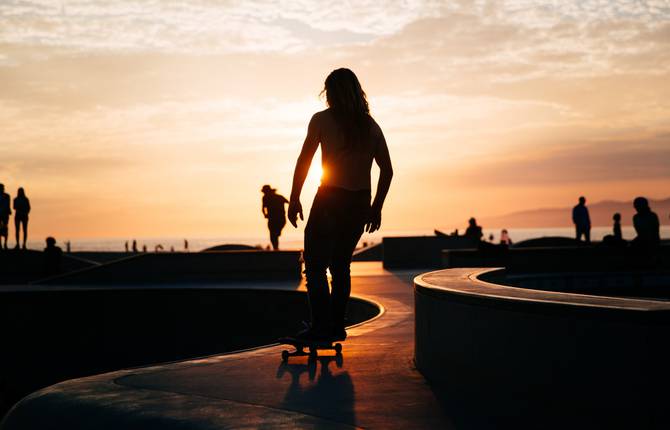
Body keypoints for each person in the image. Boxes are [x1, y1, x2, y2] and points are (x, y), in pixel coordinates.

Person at [287, 68, 393, 343]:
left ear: (330, 92)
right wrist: (376, 206)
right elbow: (388, 170)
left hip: (330, 200)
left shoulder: (322, 120)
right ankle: (335, 326)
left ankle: (321, 327)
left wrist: (295, 196)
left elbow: (305, 160)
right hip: (359, 202)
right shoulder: (371, 126)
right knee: (341, 265)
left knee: (314, 265)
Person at [261, 185, 289, 250]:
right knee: (273, 235)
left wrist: (265, 214)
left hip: (279, 219)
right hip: (274, 219)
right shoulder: (266, 198)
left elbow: (289, 203)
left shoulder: (279, 197)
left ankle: (275, 248)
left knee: (274, 234)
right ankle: (275, 248)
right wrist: (265, 214)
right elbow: (263, 208)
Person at [0, 184, 11, 250]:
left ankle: (4, 244)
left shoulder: (7, 196)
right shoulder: (7, 196)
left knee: (5, 228)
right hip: (4, 214)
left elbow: (8, 205)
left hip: (5, 214)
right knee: (4, 229)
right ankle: (3, 244)